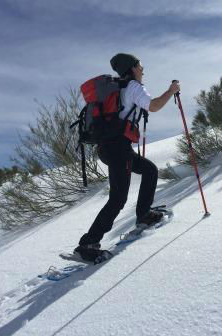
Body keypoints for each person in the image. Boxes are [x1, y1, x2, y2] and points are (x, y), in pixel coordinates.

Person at [74, 53, 180, 262]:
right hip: (118, 148)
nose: (142, 70)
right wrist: (171, 91)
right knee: (118, 199)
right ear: (131, 68)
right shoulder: (133, 87)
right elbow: (155, 105)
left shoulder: (120, 88)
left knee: (149, 170)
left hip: (111, 147)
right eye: (140, 66)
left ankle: (144, 215)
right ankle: (87, 244)